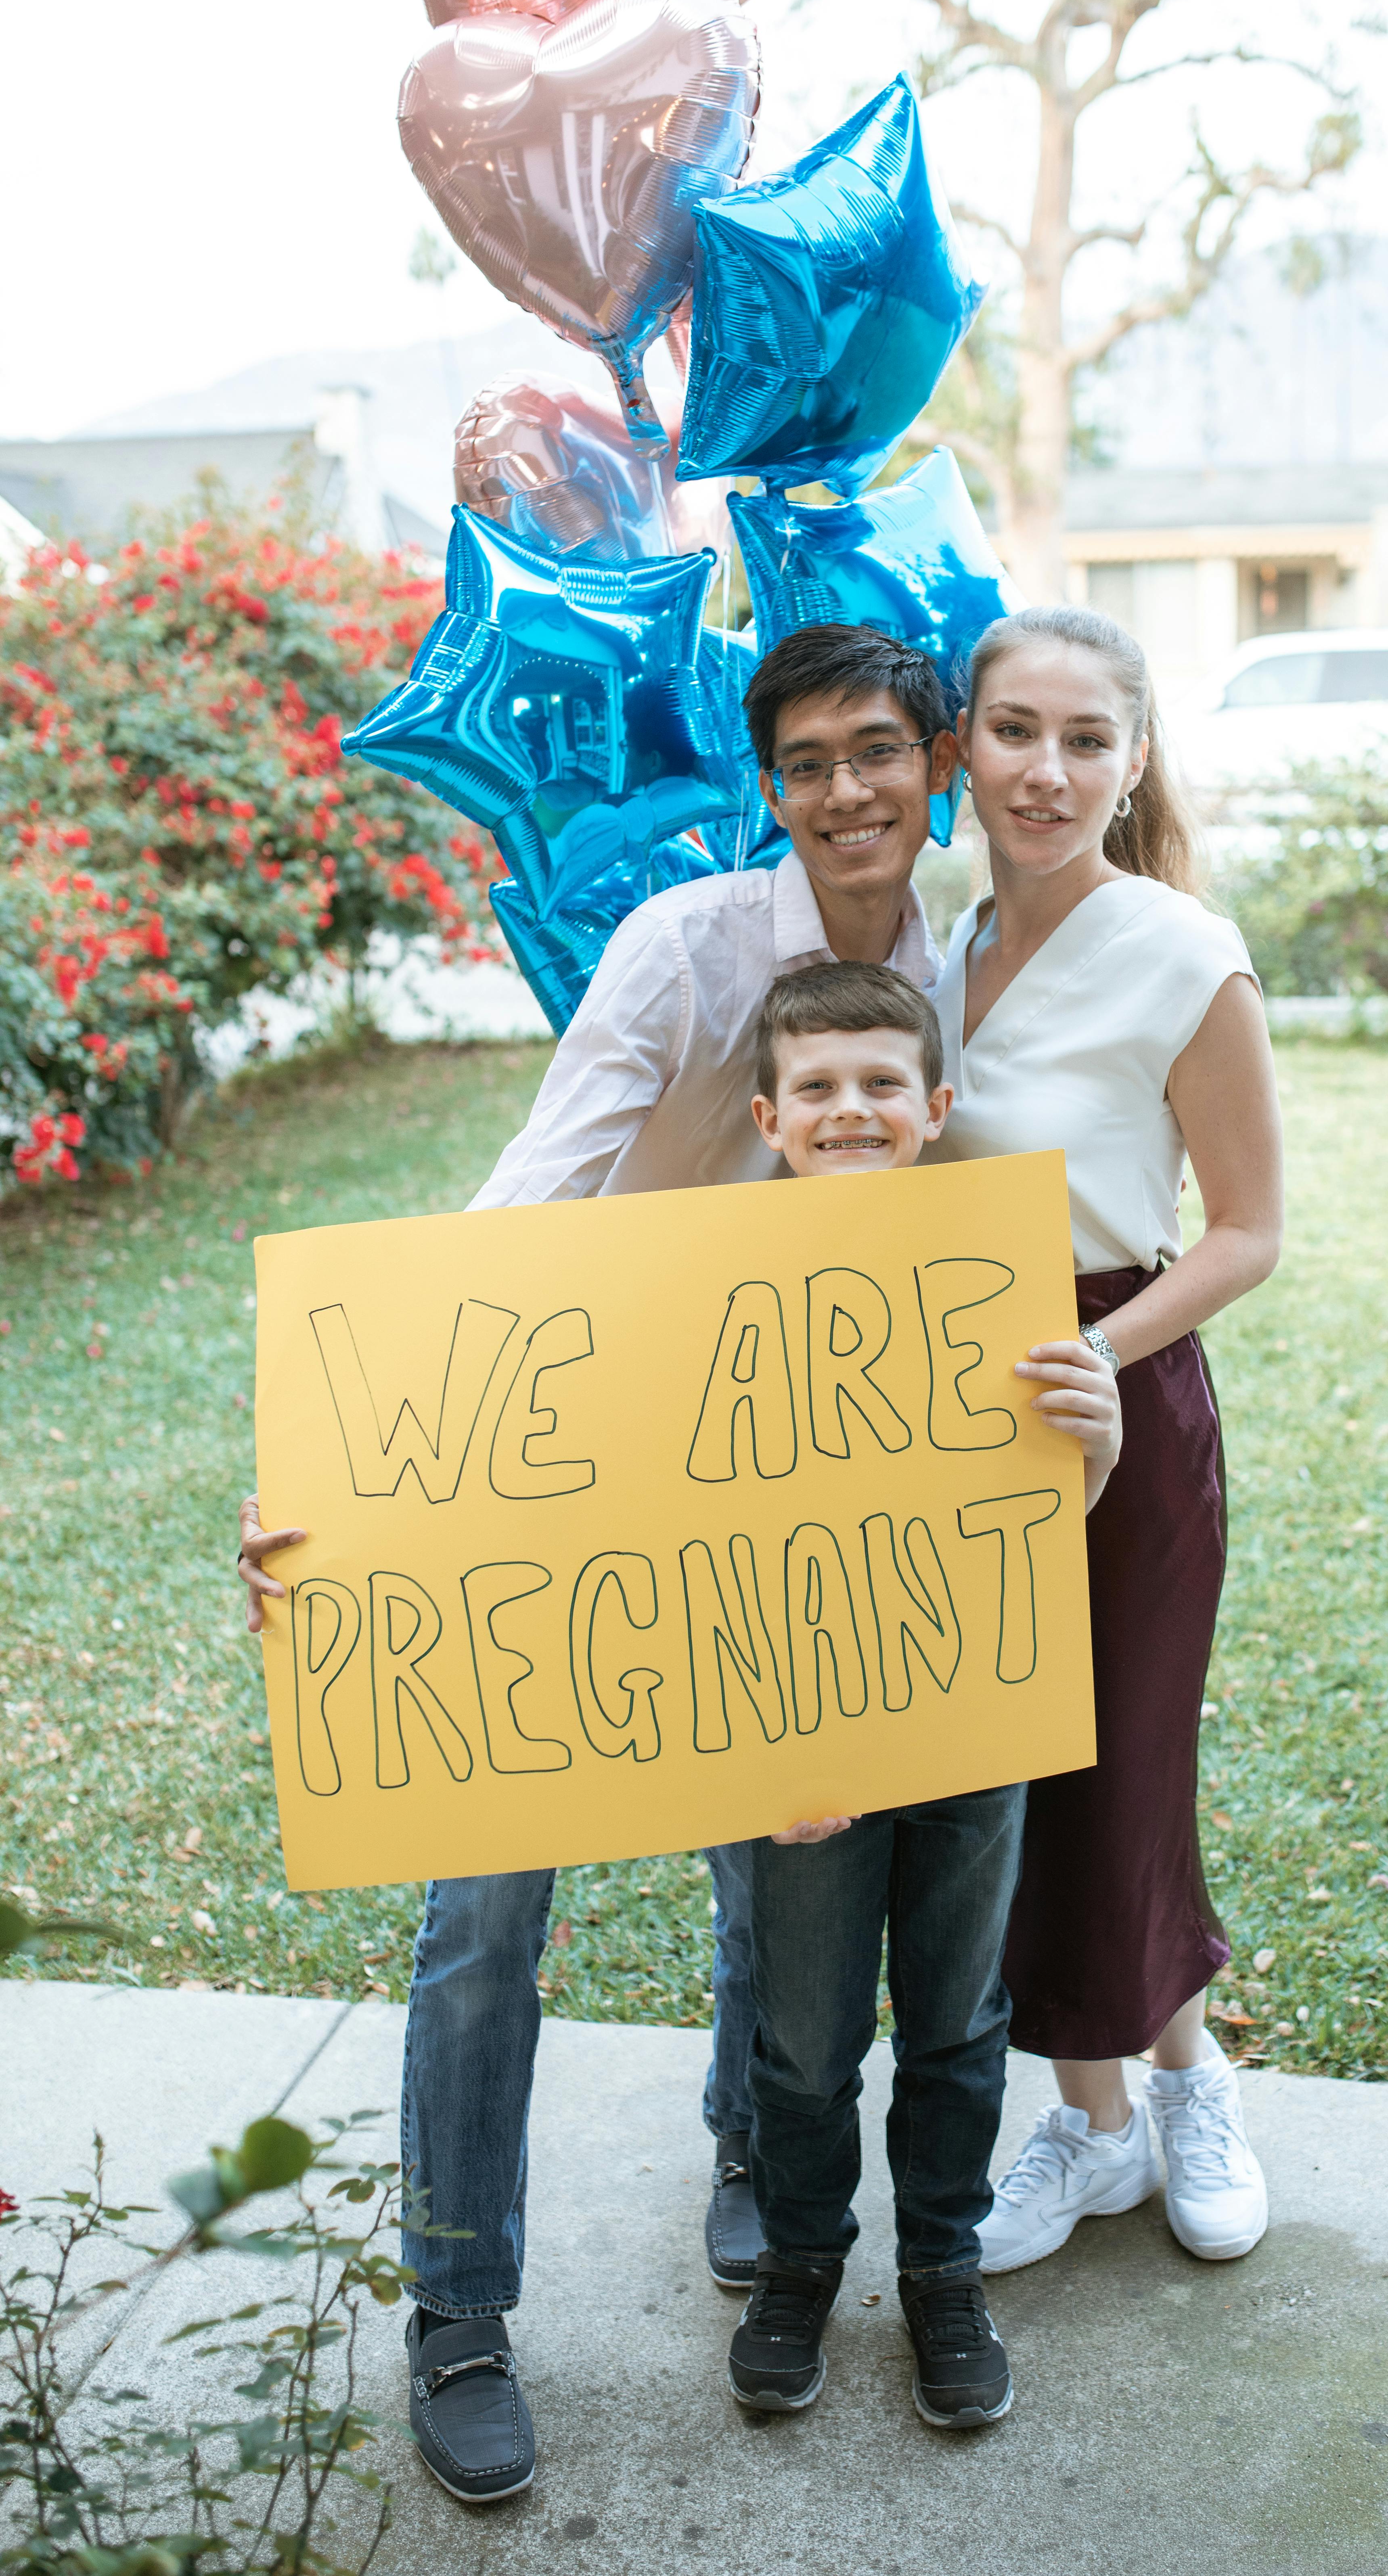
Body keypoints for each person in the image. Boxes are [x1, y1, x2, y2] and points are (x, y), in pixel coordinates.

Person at [236, 623, 961, 2505]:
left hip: (795, 1460)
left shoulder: (970, 951)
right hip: (562, 1435)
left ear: (929, 758)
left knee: (770, 1861)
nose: (846, 794)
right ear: (771, 784)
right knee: (482, 1912)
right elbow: (534, 1191)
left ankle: (743, 2145)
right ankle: (458, 2310)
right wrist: (357, 1464)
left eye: (877, 752)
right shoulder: (686, 946)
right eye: (806, 762)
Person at [918, 604, 1285, 2279]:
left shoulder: (1180, 950)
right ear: (961, 749)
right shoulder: (933, 941)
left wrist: (1097, 1348)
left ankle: (1189, 2080)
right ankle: (1090, 2127)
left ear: (1133, 758)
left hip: (1113, 1390)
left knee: (1124, 1762)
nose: (1045, 771)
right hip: (937, 1409)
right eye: (1013, 731)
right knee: (1008, 1776)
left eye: (1084, 739)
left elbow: (1248, 1232)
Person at [725, 960, 1121, 2429]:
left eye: (883, 1083)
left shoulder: (995, 1273)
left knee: (957, 2016)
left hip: (969, 1715)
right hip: (800, 1735)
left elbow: (1052, 1503)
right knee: (809, 2034)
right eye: (818, 1088)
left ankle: (943, 2268)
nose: (851, 1110)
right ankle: (801, 2266)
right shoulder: (709, 1284)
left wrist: (1097, 1427)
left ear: (936, 1105)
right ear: (769, 1114)